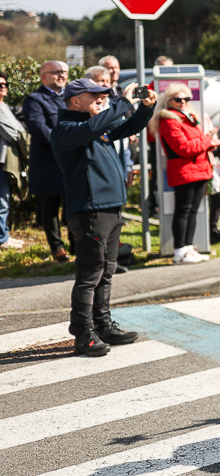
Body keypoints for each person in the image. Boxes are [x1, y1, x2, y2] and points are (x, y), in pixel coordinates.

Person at [51, 78, 156, 356]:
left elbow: (129, 126)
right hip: (90, 210)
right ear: (76, 101)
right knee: (90, 274)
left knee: (106, 272)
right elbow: (92, 128)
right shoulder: (66, 130)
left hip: (110, 207)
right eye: (94, 95)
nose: (101, 98)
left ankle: (103, 325)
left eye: (103, 95)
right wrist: (123, 102)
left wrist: (146, 108)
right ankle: (83, 333)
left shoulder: (96, 126)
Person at [151, 85, 220, 264]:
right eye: (178, 99)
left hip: (198, 169)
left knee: (192, 212)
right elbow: (184, 148)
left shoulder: (188, 118)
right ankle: (179, 252)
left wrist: (209, 142)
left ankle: (188, 248)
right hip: (184, 170)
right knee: (183, 211)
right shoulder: (169, 121)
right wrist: (207, 139)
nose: (183, 102)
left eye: (186, 99)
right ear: (168, 101)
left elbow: (195, 144)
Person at [23, 60, 69, 262]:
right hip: (48, 163)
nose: (62, 75)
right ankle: (57, 248)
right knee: (50, 207)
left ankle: (76, 244)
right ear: (43, 76)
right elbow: (38, 127)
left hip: (70, 161)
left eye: (64, 72)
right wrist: (64, 143)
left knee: (73, 204)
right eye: (56, 72)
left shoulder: (71, 97)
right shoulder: (35, 100)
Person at [0, 72, 27, 250]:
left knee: (4, 198)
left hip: (5, 160)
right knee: (1, 199)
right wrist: (27, 147)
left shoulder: (4, 106)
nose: (2, 87)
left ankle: (4, 234)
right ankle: (2, 239)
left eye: (4, 84)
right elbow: (13, 133)